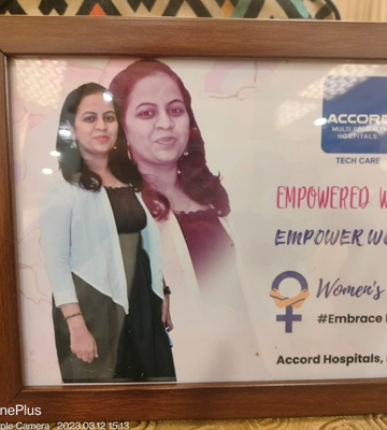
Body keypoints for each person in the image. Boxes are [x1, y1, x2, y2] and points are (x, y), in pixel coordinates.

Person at [109, 60, 265, 382]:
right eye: (147, 113)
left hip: (245, 365)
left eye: (176, 110)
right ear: (122, 128)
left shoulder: (213, 198)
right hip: (176, 375)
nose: (166, 123)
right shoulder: (118, 211)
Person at [40, 83, 175, 383]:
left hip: (141, 300)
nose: (102, 126)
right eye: (90, 118)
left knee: (156, 395)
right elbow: (56, 263)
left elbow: (144, 243)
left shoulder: (129, 181)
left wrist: (163, 292)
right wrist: (76, 325)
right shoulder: (63, 189)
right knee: (103, 399)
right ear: (70, 128)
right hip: (93, 308)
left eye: (109, 117)